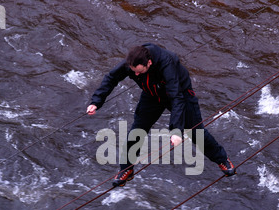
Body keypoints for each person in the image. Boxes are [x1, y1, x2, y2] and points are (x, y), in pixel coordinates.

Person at [87, 43, 235, 187]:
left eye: (139, 72)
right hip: (152, 95)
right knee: (137, 131)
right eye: (134, 72)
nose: (136, 74)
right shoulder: (132, 63)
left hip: (179, 94)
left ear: (149, 63)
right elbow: (111, 78)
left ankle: (222, 159)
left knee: (195, 131)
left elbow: (177, 98)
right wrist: (96, 101)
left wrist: (176, 131)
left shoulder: (167, 64)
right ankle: (127, 169)